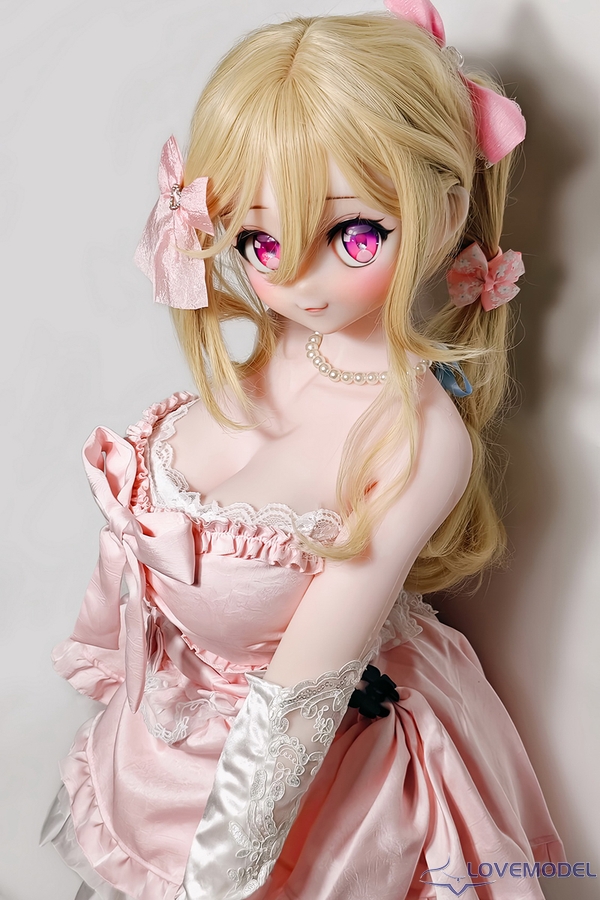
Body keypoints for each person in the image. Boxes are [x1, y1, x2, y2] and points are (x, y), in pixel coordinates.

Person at [42, 1, 565, 897]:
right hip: (167, 750)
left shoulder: (412, 440)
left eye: (353, 235)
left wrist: (216, 877)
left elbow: (299, 695)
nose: (297, 281)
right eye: (261, 239)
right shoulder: (280, 353)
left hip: (298, 780)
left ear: (445, 211)